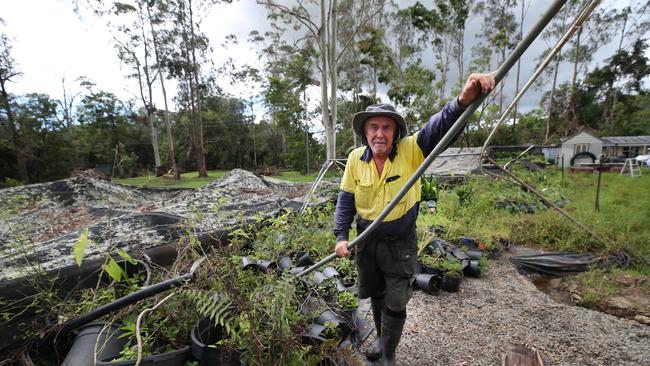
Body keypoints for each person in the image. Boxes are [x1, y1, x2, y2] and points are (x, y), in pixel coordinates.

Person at [333, 73, 495, 365]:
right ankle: (382, 342)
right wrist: (341, 237)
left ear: (395, 132)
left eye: (386, 127)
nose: (379, 134)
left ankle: (389, 354)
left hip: (400, 243)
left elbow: (441, 126)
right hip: (366, 241)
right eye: (373, 127)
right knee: (377, 294)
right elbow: (345, 200)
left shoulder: (412, 150)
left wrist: (463, 99)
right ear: (365, 132)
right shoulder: (356, 158)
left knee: (397, 299)